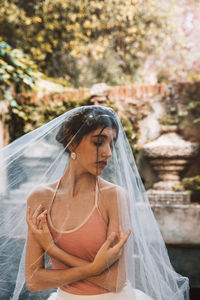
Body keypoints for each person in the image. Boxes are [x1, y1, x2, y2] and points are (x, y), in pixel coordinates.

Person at [0, 105, 189, 300]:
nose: (108, 152)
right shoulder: (40, 197)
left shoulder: (114, 196)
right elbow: (33, 280)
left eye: (111, 144)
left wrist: (53, 250)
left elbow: (115, 281)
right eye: (99, 142)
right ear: (72, 143)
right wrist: (95, 268)